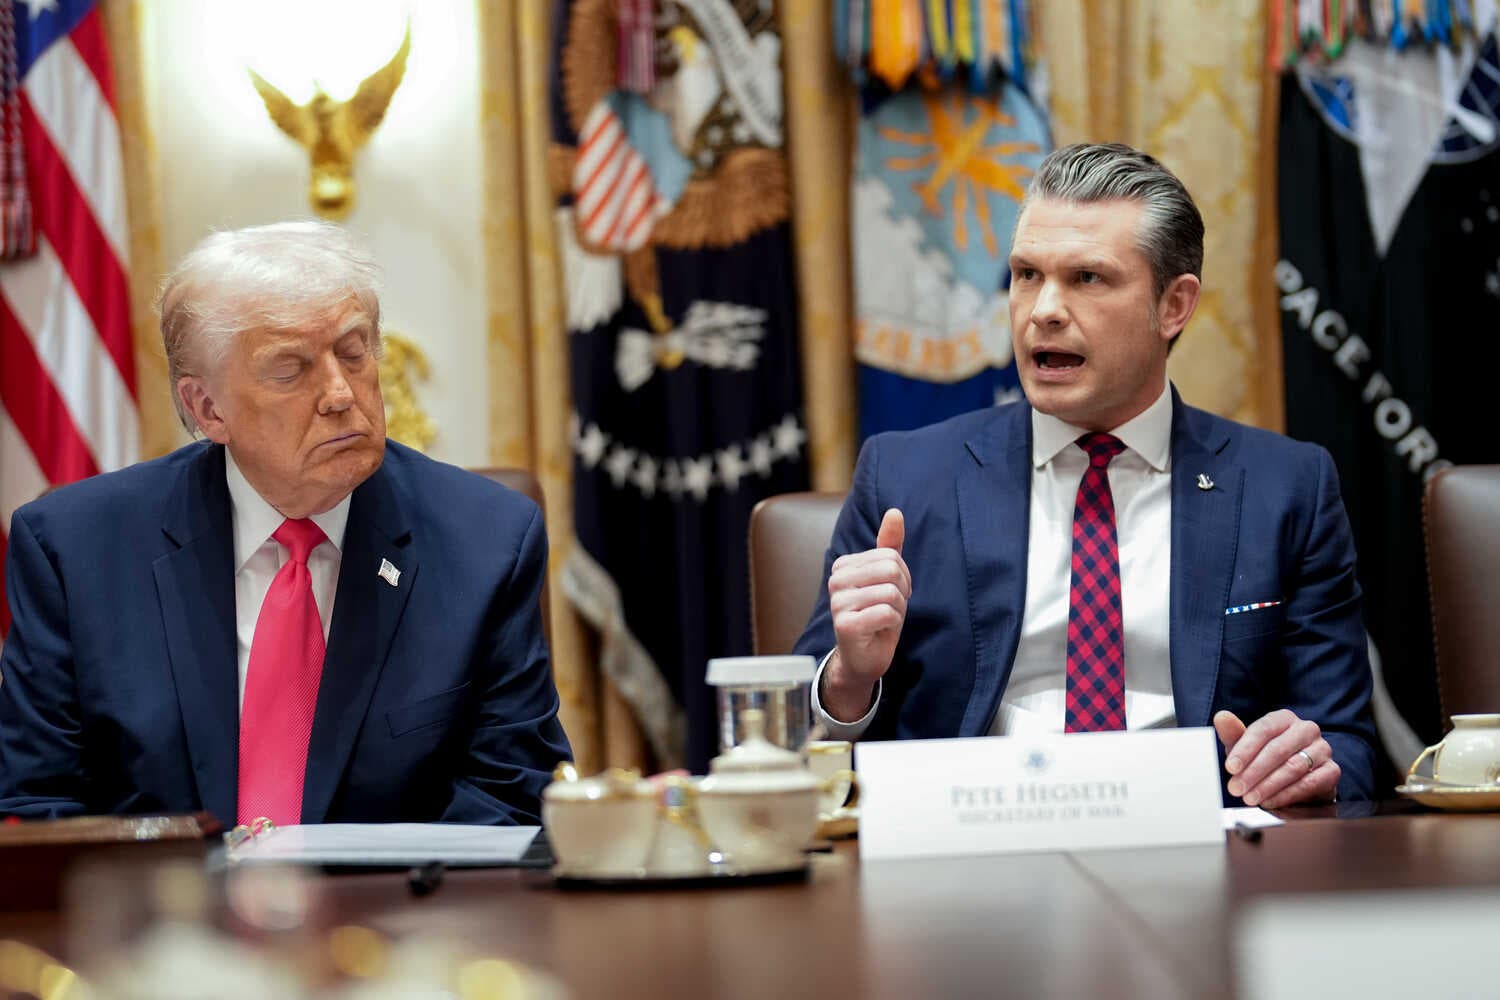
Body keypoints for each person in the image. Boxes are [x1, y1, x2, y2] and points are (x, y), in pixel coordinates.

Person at [796, 143, 1377, 806]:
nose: (1043, 309)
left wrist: (1304, 766)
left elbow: (1350, 747)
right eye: (1025, 275)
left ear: (1174, 306)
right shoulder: (904, 475)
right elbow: (790, 741)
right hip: (971, 853)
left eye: (1087, 279)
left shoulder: (1288, 487)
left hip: (1201, 856)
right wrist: (849, 677)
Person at [0, 220, 571, 826]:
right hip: (169, 913)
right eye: (289, 371)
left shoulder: (487, 541)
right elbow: (39, 808)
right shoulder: (73, 549)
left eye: (354, 352)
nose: (340, 393)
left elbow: (511, 795)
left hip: (398, 913)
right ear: (207, 408)